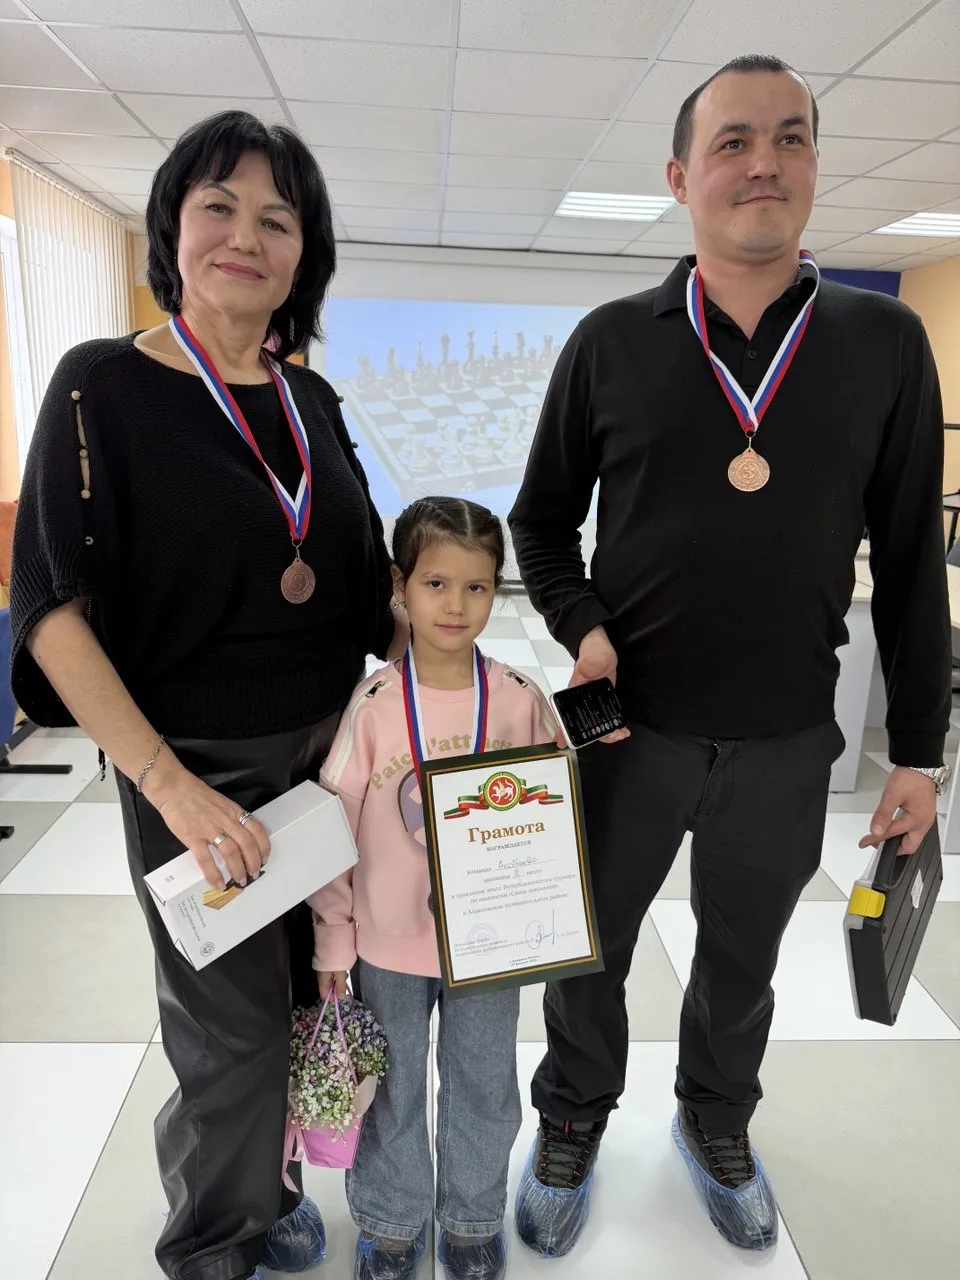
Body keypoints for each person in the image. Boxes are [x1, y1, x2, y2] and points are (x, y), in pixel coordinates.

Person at [507, 54, 951, 1257]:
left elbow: (914, 558)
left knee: (744, 957)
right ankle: (572, 1116)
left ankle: (715, 1119)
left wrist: (920, 753)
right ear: (680, 176)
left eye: (791, 138)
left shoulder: (884, 342)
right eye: (734, 141)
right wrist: (582, 624)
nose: (766, 163)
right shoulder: (611, 342)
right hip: (630, 729)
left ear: (815, 164)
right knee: (589, 951)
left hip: (787, 734)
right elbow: (539, 523)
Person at [9, 111, 407, 1280]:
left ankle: (268, 1188)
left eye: (278, 219)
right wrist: (168, 785)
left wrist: (464, 676)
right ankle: (211, 1242)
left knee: (305, 994)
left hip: (327, 761)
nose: (246, 236)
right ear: (171, 228)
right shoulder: (101, 385)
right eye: (218, 207)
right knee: (228, 1033)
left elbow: (357, 585)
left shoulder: (311, 400)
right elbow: (52, 607)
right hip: (195, 766)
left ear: (304, 254)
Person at [309, 497, 556, 1280]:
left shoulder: (519, 699)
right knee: (393, 1087)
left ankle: (473, 1219)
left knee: (484, 1082)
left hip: (490, 943)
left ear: (497, 589)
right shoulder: (375, 706)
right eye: (436, 584)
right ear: (400, 587)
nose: (455, 606)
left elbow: (554, 821)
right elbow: (334, 833)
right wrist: (334, 940)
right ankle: (390, 1220)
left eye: (476, 587)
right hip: (387, 941)